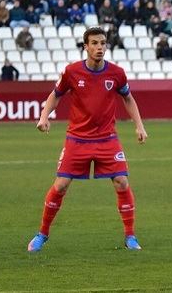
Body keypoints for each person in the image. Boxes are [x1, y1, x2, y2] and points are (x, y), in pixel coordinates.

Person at [27, 27, 148, 252]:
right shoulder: (72, 72)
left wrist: (139, 126)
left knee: (122, 181)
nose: (99, 47)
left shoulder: (117, 73)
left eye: (102, 43)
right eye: (94, 43)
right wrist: (44, 116)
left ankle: (130, 236)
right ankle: (42, 233)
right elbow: (56, 95)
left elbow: (128, 98)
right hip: (77, 139)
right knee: (61, 185)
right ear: (86, 47)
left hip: (107, 139)